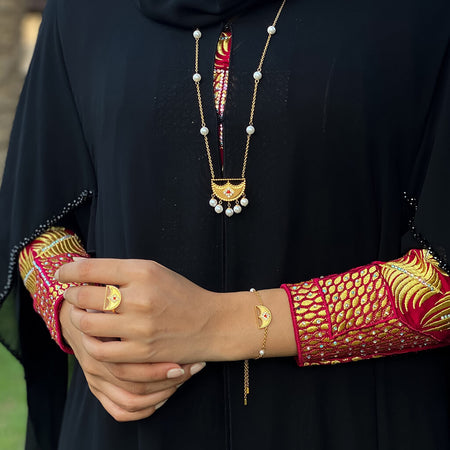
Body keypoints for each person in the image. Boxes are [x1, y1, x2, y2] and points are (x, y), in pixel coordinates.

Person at [0, 0, 449, 449]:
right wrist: (80, 319)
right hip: (131, 419)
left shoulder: (424, 13)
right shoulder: (81, 11)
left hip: (352, 418)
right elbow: (38, 212)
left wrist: (219, 324)